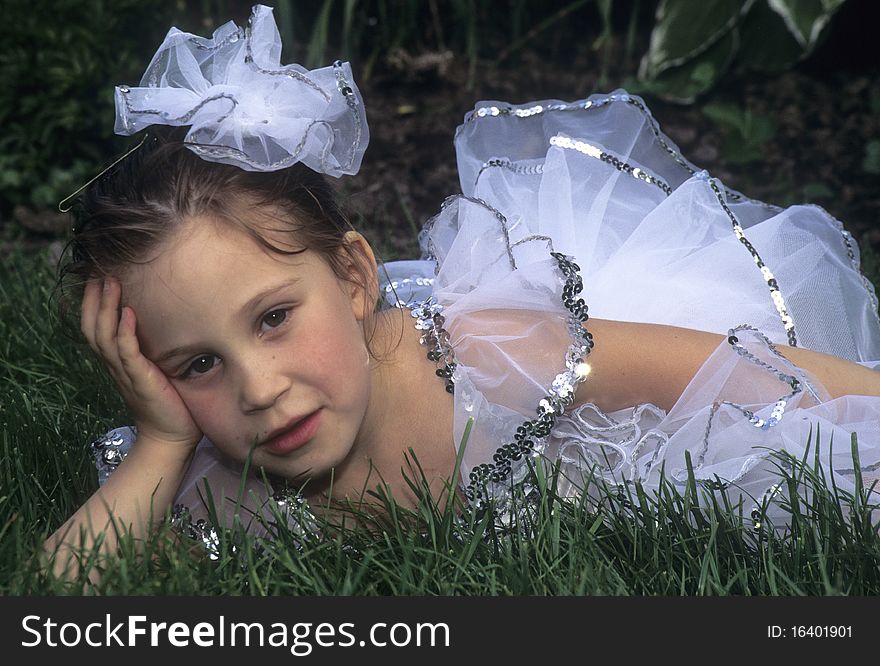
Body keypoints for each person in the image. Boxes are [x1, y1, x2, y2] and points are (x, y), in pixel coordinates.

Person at [46, 5, 880, 576]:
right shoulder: (218, 485)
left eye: (273, 318)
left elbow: (730, 369)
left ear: (351, 276)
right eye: (195, 366)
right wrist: (159, 443)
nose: (260, 390)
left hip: (641, 384)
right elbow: (58, 609)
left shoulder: (487, 358)